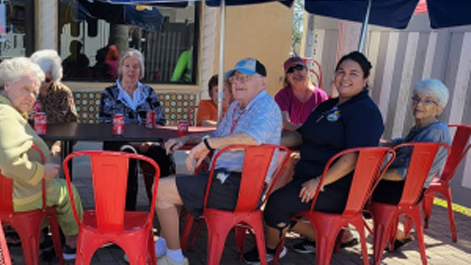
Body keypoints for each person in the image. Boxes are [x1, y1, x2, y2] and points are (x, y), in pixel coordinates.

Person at [243, 51, 384, 263]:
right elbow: (301, 135)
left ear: (365, 80)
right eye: (341, 72)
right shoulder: (328, 105)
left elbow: (354, 157)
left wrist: (319, 182)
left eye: (353, 73)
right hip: (308, 177)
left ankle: (272, 249)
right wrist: (266, 141)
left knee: (276, 203)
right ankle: (318, 235)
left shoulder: (365, 111)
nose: (345, 78)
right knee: (274, 197)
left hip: (337, 186)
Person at [157, 58, 282, 265]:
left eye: (245, 78)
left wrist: (208, 145)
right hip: (222, 178)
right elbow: (217, 134)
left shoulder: (266, 106)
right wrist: (187, 139)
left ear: (263, 82)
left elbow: (252, 137)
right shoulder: (236, 107)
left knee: (161, 189)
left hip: (242, 188)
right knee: (169, 183)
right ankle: (164, 243)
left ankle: (174, 258)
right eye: (235, 79)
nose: (238, 83)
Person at [0, 57, 83, 260]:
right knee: (67, 190)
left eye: (35, 92)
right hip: (16, 195)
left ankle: (37, 237)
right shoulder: (5, 116)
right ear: (7, 85)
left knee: (52, 185)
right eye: (25, 89)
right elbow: (11, 163)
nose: (31, 97)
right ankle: (72, 244)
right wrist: (42, 172)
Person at [372, 78, 450, 250]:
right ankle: (397, 234)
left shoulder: (434, 133)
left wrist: (373, 175)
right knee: (351, 186)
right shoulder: (423, 127)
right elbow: (405, 142)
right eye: (416, 98)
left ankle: (340, 234)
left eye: (428, 101)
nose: (419, 104)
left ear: (439, 108)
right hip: (402, 186)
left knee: (350, 188)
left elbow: (405, 172)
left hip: (405, 189)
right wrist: (383, 143)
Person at [98, 49, 176, 211]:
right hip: (120, 142)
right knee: (128, 154)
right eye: (127, 66)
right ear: (121, 68)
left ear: (141, 71)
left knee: (164, 154)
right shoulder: (110, 93)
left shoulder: (148, 92)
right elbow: (104, 124)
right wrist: (135, 142)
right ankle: (128, 212)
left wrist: (148, 140)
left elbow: (160, 121)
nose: (131, 71)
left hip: (148, 142)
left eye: (136, 67)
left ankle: (166, 206)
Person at [30, 49, 79, 157]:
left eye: (47, 80)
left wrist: (59, 144)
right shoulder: (27, 91)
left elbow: (71, 123)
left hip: (57, 137)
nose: (43, 84)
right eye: (40, 79)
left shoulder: (62, 92)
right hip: (30, 137)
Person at [275, 56, 328, 131]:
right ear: (287, 76)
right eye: (291, 70)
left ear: (306, 70)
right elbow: (284, 123)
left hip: (315, 139)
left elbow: (325, 123)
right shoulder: (282, 96)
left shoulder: (320, 96)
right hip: (292, 137)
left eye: (299, 67)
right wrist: (303, 130)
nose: (296, 72)